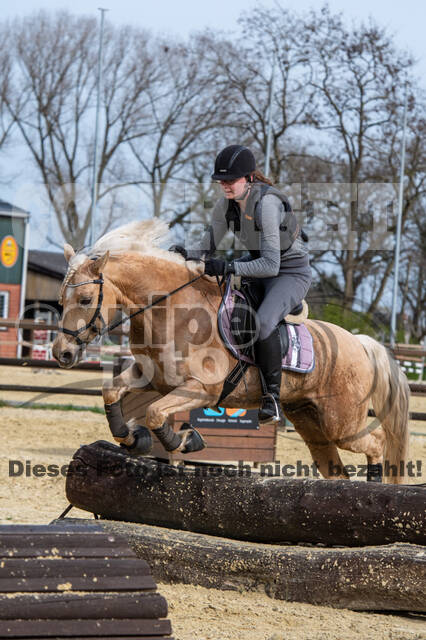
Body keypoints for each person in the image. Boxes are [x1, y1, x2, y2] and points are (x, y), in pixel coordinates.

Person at [172, 144, 311, 425]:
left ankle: (271, 398)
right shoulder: (226, 206)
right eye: (221, 180)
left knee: (261, 323)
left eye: (230, 180)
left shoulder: (267, 205)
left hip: (289, 273)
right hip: (256, 266)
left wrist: (229, 266)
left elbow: (271, 265)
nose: (224, 185)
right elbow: (207, 247)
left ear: (248, 178)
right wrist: (185, 256)